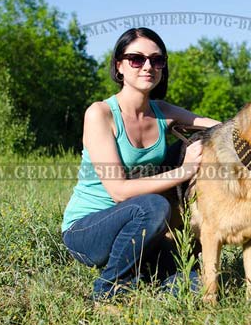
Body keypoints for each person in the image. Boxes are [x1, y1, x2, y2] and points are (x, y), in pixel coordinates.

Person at [61, 27, 220, 301]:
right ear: (119, 66)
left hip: (145, 229)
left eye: (157, 60)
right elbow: (119, 192)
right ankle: (108, 291)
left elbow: (220, 127)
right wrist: (185, 171)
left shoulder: (163, 112)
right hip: (86, 232)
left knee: (192, 286)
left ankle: (141, 273)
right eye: (137, 59)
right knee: (154, 204)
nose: (148, 66)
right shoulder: (100, 114)